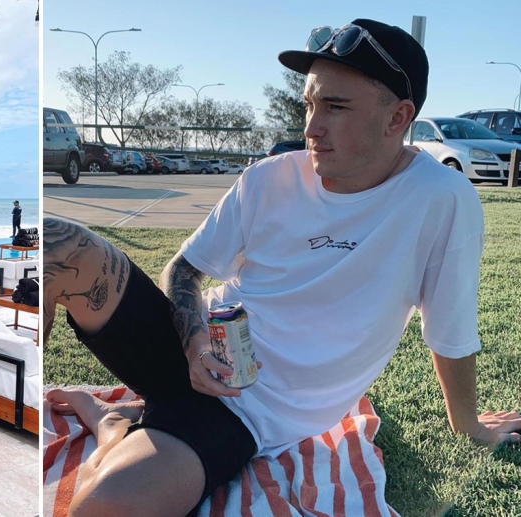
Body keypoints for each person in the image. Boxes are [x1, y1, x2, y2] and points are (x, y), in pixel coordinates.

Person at [43, 19, 521, 515]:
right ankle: (105, 418)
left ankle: (112, 425)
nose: (311, 127)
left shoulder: (439, 198)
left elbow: (450, 331)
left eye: (335, 107)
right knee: (56, 241)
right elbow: (184, 269)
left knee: (101, 508)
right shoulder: (269, 178)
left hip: (245, 409)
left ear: (398, 118)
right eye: (310, 104)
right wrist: (196, 341)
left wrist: (468, 424)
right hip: (192, 346)